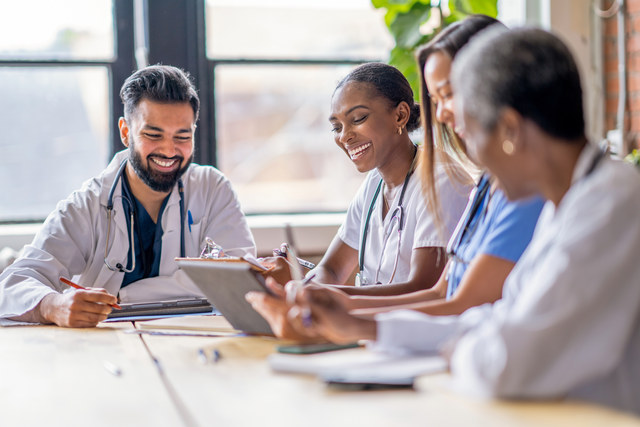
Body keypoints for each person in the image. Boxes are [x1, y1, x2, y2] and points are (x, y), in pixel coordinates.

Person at [290, 28, 640, 414]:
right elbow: (495, 319)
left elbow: (506, 362)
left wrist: (459, 347)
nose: (476, 166)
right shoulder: (570, 200)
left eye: (471, 134)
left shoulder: (610, 206)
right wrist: (362, 326)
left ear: (509, 130)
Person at [248, 16, 544, 339]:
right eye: (336, 127)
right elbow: (442, 293)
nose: (442, 114)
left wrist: (348, 314)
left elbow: (447, 296)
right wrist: (316, 295)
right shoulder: (490, 188)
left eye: (450, 95)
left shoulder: (498, 188)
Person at [0, 65, 255, 327]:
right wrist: (53, 306)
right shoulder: (86, 205)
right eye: (153, 135)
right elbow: (14, 282)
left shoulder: (213, 190)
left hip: (192, 344)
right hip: (104, 347)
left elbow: (240, 284)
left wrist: (122, 297)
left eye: (182, 136)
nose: (169, 150)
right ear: (125, 132)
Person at [251, 62, 471, 339]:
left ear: (400, 115)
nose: (345, 136)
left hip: (412, 336)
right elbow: (331, 268)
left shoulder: (441, 179)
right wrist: (304, 290)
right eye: (336, 127)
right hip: (367, 330)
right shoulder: (374, 184)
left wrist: (325, 296)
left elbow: (423, 287)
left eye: (358, 119)